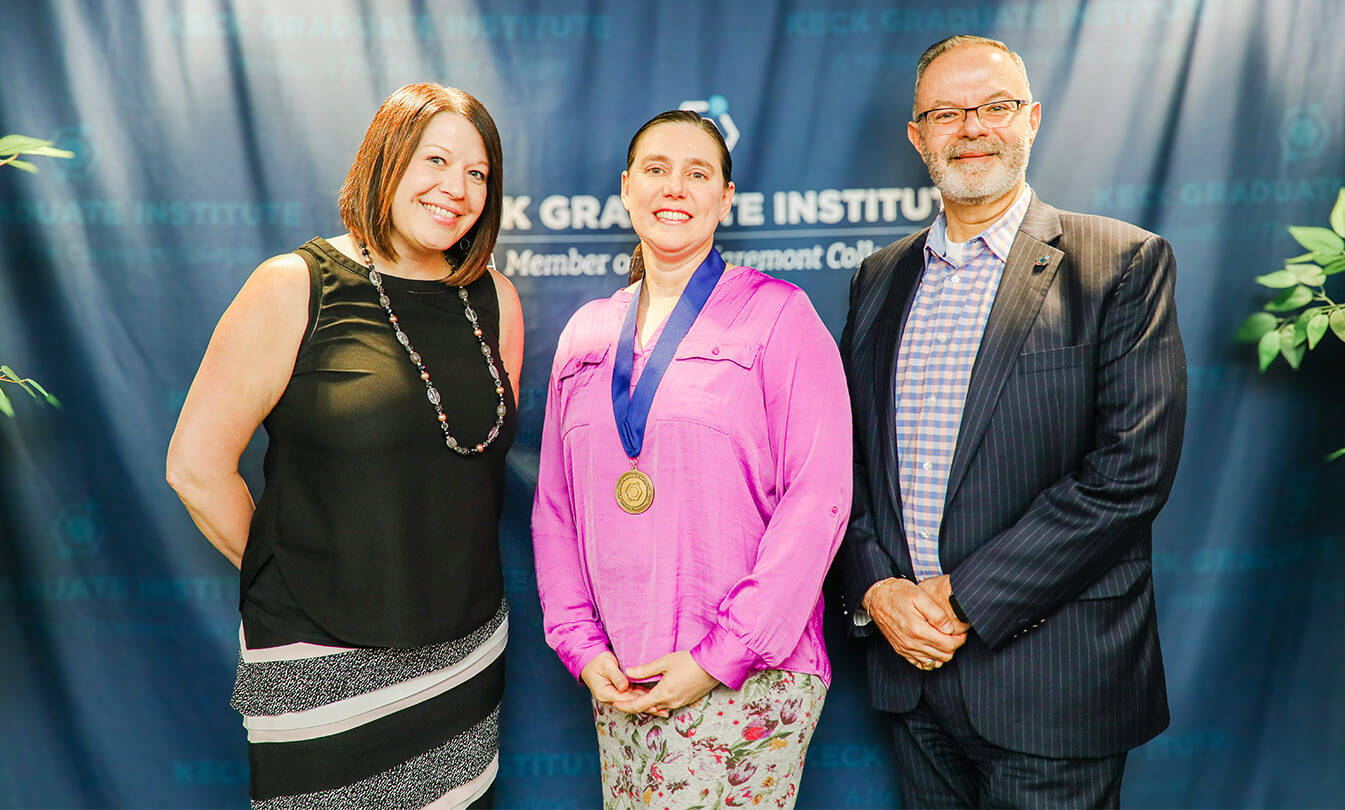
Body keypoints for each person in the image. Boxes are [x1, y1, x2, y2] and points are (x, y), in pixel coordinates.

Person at [837, 35, 1186, 808]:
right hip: (912, 679)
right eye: (946, 112)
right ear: (916, 135)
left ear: (1030, 118)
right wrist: (879, 593)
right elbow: (846, 464)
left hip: (1054, 683)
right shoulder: (878, 278)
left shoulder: (1119, 264)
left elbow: (1129, 474)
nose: (972, 128)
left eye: (994, 107)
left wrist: (960, 600)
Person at [166, 83, 522, 809]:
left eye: (477, 173)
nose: (455, 188)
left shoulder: (496, 299)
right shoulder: (295, 284)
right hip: (318, 658)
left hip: (464, 652)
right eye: (435, 160)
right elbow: (195, 469)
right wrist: (299, 576)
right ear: (386, 159)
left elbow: (466, 464)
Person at [531, 109, 851, 808]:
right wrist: (581, 648)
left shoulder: (778, 315)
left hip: (747, 674)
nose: (673, 187)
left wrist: (721, 655)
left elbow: (819, 495)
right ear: (625, 187)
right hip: (623, 676)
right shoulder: (586, 332)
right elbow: (556, 509)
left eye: (697, 173)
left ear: (724, 197)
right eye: (655, 169)